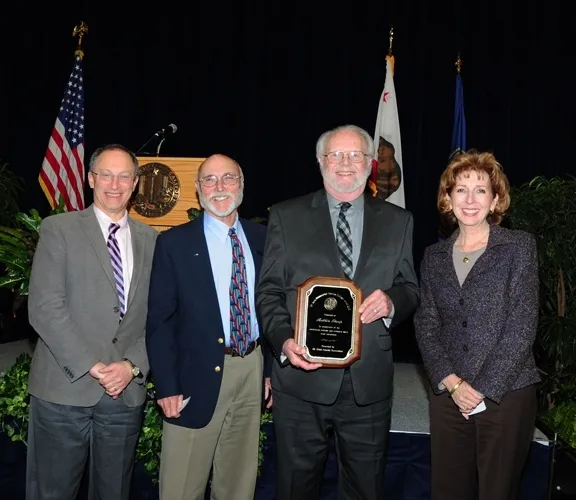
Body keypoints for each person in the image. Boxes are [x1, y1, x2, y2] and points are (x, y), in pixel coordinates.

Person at [256, 124, 420, 499]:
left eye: (355, 155)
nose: (345, 163)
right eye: (336, 155)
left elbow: (411, 288)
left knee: (365, 490)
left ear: (369, 164)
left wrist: (393, 301)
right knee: (296, 488)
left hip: (368, 385)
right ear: (320, 162)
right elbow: (267, 292)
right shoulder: (286, 215)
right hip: (300, 382)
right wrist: (284, 341)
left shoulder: (399, 222)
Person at [26, 144, 159, 500]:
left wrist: (131, 366)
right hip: (63, 391)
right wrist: (95, 366)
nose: (114, 184)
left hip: (125, 395)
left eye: (124, 176)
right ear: (90, 179)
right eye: (106, 174)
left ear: (135, 184)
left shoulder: (153, 240)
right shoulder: (59, 229)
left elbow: (160, 317)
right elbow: (45, 307)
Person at [413, 150, 540, 500]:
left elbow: (522, 324)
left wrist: (480, 388)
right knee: (448, 490)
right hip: (449, 396)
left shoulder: (518, 247)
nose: (470, 200)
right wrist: (453, 384)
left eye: (480, 190)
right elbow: (426, 323)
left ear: (496, 198)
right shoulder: (433, 256)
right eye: (461, 190)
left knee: (497, 492)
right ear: (447, 199)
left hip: (506, 394)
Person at [146, 154, 272, 500]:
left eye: (228, 178)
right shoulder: (174, 244)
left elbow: (273, 307)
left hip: (251, 367)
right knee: (181, 486)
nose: (219, 188)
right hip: (192, 375)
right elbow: (160, 320)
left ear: (242, 186)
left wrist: (270, 371)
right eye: (209, 180)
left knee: (238, 482)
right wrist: (167, 385)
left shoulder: (264, 238)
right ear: (198, 189)